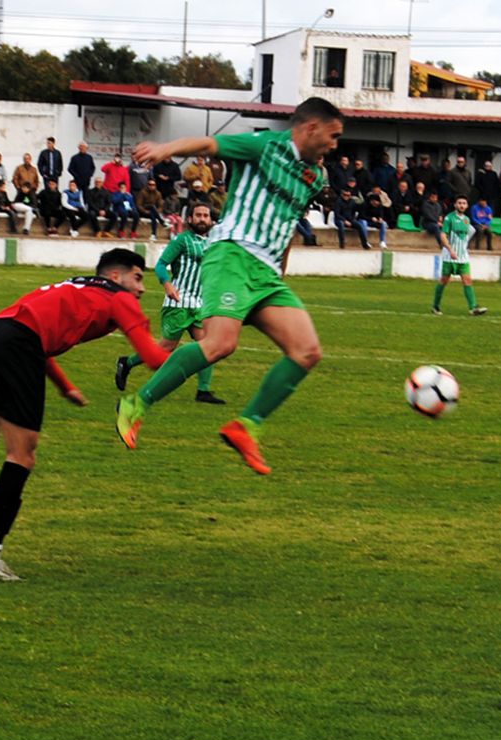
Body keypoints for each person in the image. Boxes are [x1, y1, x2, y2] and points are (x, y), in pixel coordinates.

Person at [0, 249, 170, 581]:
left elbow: (34, 333)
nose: (141, 289)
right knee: (22, 454)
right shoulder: (118, 298)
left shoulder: (76, 287)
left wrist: (65, 386)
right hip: (17, 344)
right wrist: (207, 350)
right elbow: (152, 356)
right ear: (115, 277)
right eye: (138, 278)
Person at [117, 97, 343, 476]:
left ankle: (245, 426)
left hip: (266, 273)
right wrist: (165, 149)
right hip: (233, 254)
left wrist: (280, 273)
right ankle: (136, 404)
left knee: (307, 352)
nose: (335, 145)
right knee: (220, 344)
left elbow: (287, 225)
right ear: (311, 128)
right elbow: (209, 145)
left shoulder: (315, 177)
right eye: (333, 136)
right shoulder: (265, 145)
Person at [115, 204, 225, 404]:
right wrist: (167, 284)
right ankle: (127, 363)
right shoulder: (182, 240)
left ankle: (203, 391)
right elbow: (160, 265)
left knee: (209, 346)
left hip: (200, 304)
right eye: (198, 215)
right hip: (178, 302)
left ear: (210, 220)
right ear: (190, 219)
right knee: (165, 349)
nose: (202, 219)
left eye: (206, 215)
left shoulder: (213, 243)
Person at [433, 196, 487, 316]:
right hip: (449, 256)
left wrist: (464, 246)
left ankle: (473, 308)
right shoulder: (449, 218)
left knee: (467, 280)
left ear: (467, 206)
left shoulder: (466, 220)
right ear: (455, 205)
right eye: (459, 203)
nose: (462, 205)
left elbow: (470, 232)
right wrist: (450, 249)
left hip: (463, 257)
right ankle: (435, 306)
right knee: (444, 281)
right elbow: (443, 235)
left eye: (464, 203)